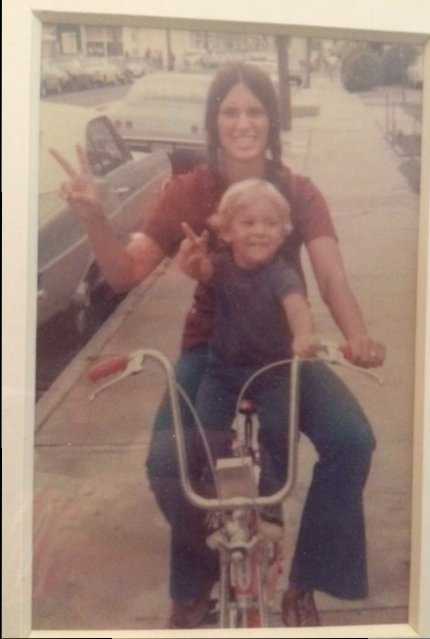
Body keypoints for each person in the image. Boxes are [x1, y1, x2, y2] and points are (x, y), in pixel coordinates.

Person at [51, 61, 385, 630]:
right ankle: (198, 579)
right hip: (212, 350)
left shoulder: (299, 192)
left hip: (285, 351)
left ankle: (302, 584)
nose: (243, 123)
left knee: (352, 440)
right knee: (166, 463)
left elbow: (331, 277)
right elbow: (127, 271)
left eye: (254, 111)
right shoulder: (188, 190)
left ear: (271, 120)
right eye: (230, 111)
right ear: (213, 121)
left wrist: (355, 333)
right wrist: (95, 222)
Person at [178, 178, 320, 502]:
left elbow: (296, 306)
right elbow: (202, 271)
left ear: (284, 232)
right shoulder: (222, 266)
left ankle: (270, 504)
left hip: (274, 373)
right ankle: (221, 497)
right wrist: (195, 261)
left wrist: (304, 334)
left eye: (270, 224)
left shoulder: (281, 273)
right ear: (227, 232)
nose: (260, 231)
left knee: (280, 432)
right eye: (248, 223)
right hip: (222, 371)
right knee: (207, 429)